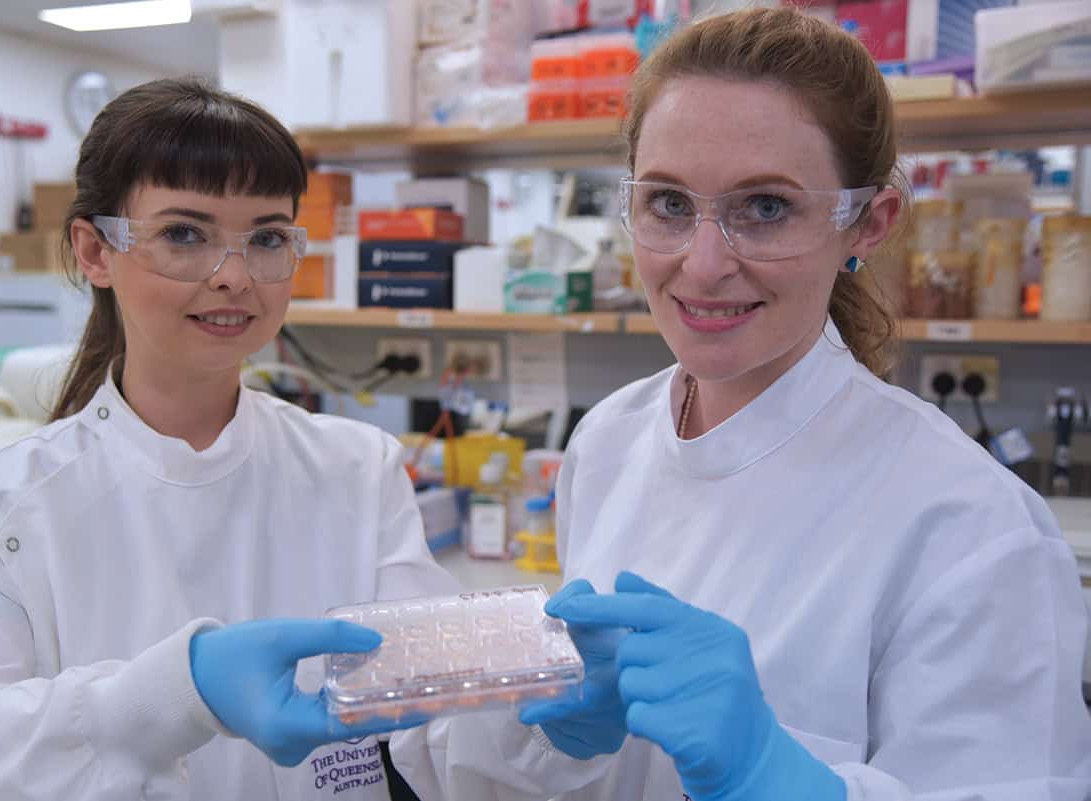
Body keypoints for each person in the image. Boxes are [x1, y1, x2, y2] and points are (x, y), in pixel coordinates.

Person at [396, 7, 1091, 801]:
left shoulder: (973, 526)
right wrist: (561, 743)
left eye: (765, 208)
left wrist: (782, 778)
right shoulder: (609, 440)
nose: (702, 263)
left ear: (867, 221)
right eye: (668, 203)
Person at [0, 77, 458, 800]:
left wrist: (546, 718)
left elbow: (432, 724)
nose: (234, 277)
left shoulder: (358, 466)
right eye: (185, 234)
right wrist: (167, 695)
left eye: (266, 238)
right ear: (95, 252)